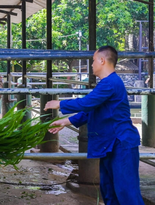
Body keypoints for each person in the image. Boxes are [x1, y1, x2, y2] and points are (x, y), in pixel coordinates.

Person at [44, 46, 145, 205]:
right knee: (108, 191)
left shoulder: (110, 83)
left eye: (93, 61)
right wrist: (64, 122)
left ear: (102, 61)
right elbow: (91, 110)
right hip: (110, 144)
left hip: (121, 143)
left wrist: (60, 103)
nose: (91, 65)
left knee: (126, 193)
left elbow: (86, 103)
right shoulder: (106, 84)